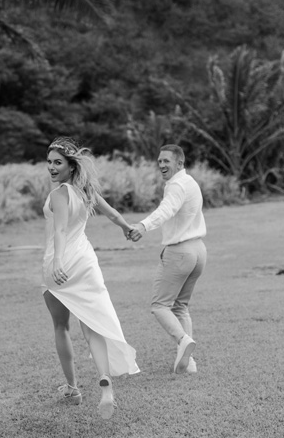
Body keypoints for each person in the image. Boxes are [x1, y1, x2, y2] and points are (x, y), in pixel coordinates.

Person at [42, 137, 139, 420]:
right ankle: (105, 383)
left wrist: (59, 260)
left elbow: (59, 231)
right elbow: (112, 214)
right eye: (48, 162)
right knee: (92, 325)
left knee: (61, 326)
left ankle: (72, 389)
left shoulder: (60, 194)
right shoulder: (86, 192)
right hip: (86, 262)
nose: (51, 167)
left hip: (60, 263)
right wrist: (127, 227)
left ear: (71, 166)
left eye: (57, 162)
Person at [129, 144, 207, 375]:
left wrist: (143, 226)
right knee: (180, 306)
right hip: (199, 251)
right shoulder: (190, 182)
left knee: (159, 306)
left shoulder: (176, 186)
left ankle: (184, 341)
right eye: (159, 160)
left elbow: (166, 210)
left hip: (181, 253)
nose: (162, 164)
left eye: (167, 161)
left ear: (179, 163)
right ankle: (188, 363)